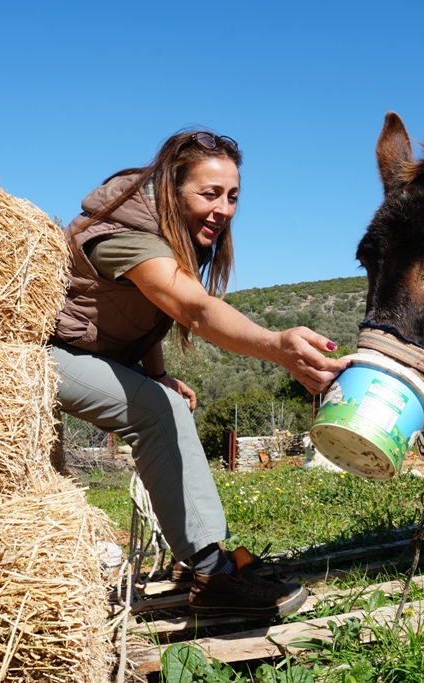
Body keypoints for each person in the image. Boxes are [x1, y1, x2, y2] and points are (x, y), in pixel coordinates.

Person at [50, 130, 347, 618]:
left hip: (91, 355)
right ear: (172, 188)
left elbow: (147, 319)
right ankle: (213, 574)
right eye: (209, 194)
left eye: (233, 196)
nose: (224, 209)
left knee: (166, 400)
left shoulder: (175, 234)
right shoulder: (125, 234)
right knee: (156, 410)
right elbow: (194, 309)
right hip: (43, 355)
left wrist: (159, 373)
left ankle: (199, 560)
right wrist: (276, 346)